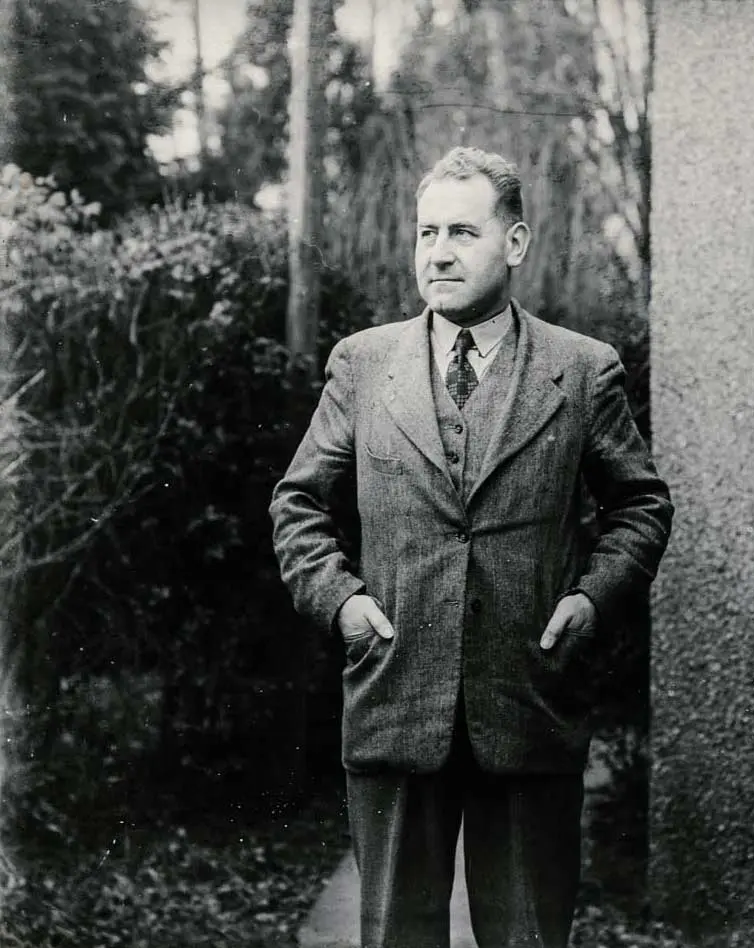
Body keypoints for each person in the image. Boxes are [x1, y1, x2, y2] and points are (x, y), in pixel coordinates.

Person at [269, 145, 673, 948]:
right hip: (395, 696)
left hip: (528, 700)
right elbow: (297, 502)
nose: (440, 253)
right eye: (427, 233)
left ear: (514, 243)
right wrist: (342, 603)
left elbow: (641, 505)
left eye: (462, 231)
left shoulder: (582, 371)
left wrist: (590, 600)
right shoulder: (363, 364)